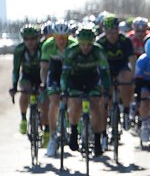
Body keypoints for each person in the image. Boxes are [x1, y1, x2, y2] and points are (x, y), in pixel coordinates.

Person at [61, 25, 112, 157]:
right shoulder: (71, 51)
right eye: (83, 44)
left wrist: (106, 91)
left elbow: (105, 73)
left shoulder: (98, 51)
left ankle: (97, 141)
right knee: (75, 104)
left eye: (89, 45)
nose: (86, 48)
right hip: (75, 80)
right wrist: (64, 91)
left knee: (96, 107)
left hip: (92, 80)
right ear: (78, 42)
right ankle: (73, 131)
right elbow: (65, 74)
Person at [40, 22, 78, 156]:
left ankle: (74, 126)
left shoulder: (74, 45)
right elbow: (44, 68)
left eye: (64, 37)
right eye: (58, 37)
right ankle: (52, 137)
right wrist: (44, 83)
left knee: (73, 101)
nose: (61, 40)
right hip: (54, 74)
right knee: (54, 102)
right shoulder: (47, 45)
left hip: (70, 74)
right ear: (54, 36)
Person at [96, 13, 136, 129]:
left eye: (114, 32)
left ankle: (126, 111)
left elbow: (132, 59)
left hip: (121, 67)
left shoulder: (125, 40)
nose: (112, 36)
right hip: (106, 68)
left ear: (118, 30)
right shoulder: (100, 42)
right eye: (108, 32)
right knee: (104, 100)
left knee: (125, 81)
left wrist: (133, 76)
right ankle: (103, 132)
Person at [9, 24, 44, 139]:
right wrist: (14, 86)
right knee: (24, 91)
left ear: (38, 38)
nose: (30, 42)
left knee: (44, 96)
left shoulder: (43, 48)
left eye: (33, 39)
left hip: (41, 76)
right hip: (27, 76)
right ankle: (23, 119)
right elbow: (16, 69)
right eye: (26, 39)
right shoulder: (20, 50)